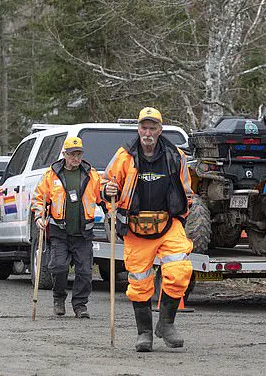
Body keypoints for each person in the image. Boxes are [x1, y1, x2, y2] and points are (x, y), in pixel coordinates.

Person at [104, 107, 194, 352]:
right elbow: (106, 184)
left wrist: (182, 215)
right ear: (138, 129)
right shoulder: (124, 155)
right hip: (135, 228)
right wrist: (107, 191)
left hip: (169, 223)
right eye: (144, 127)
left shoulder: (175, 156)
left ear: (160, 130)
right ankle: (144, 333)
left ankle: (166, 324)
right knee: (139, 282)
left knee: (179, 270)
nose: (147, 132)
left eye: (152, 128)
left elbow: (187, 190)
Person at [31, 136, 105, 319]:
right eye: (72, 154)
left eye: (79, 154)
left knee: (85, 272)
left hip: (83, 232)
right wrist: (39, 216)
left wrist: (111, 210)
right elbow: (39, 198)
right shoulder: (51, 175)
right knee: (58, 267)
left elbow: (103, 196)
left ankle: (80, 305)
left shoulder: (91, 174)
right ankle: (58, 299)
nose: (76, 158)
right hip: (59, 231)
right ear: (64, 154)